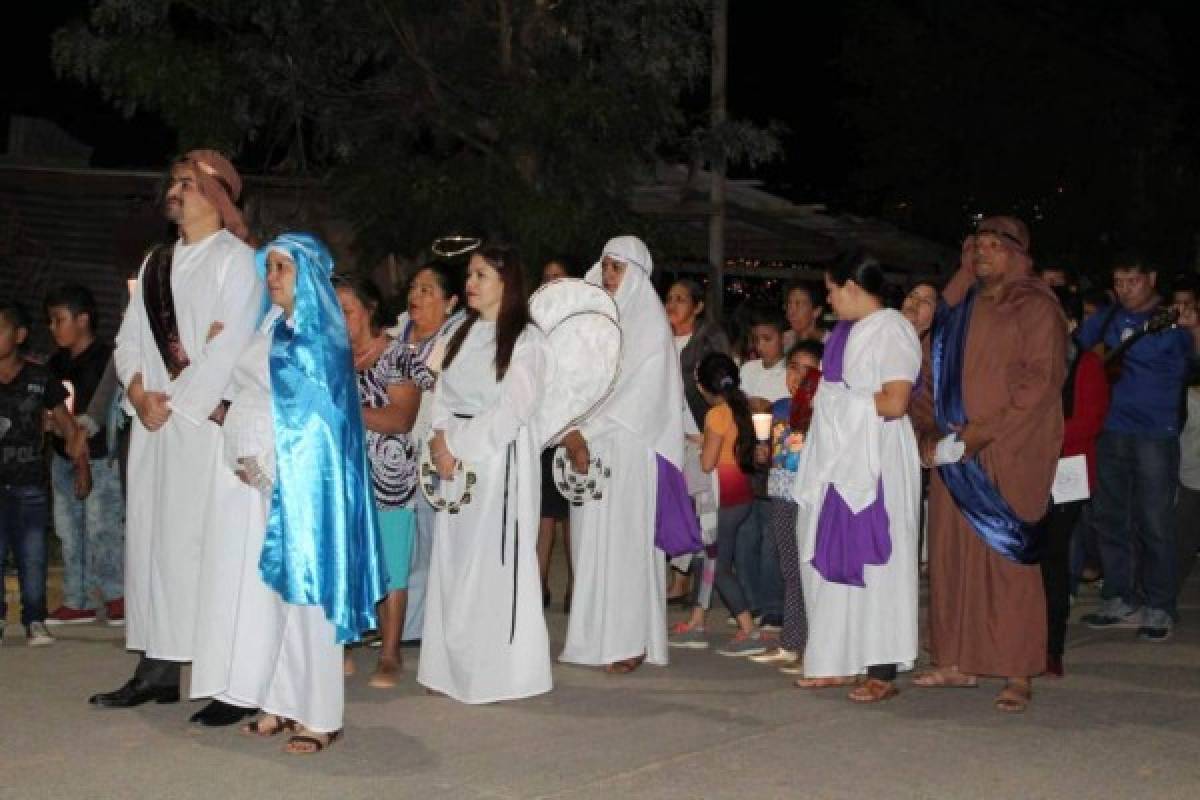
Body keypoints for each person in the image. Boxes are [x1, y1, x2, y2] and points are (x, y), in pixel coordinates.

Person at [192, 232, 387, 754]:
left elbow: (316, 423)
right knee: (277, 595)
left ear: (308, 275)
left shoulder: (318, 336)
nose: (273, 277)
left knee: (309, 599)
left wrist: (272, 463)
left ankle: (321, 715)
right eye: (271, 268)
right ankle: (281, 700)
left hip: (307, 486)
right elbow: (250, 394)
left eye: (283, 268)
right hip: (266, 480)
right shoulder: (272, 324)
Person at [91, 150, 263, 716]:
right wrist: (140, 395)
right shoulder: (154, 264)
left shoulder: (236, 262)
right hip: (155, 427)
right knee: (155, 547)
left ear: (216, 197)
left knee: (206, 548)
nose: (175, 191)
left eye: (186, 184)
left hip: (205, 430)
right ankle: (159, 668)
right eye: (174, 182)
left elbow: (230, 346)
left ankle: (224, 677)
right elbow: (128, 340)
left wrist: (178, 403)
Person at [909, 216, 1066, 713]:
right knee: (952, 558)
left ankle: (1018, 670)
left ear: (1017, 254)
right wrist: (928, 433)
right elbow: (930, 375)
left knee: (1007, 561)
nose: (983, 254)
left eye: (995, 246)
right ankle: (957, 660)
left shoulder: (1036, 307)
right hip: (956, 454)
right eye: (977, 245)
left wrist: (980, 434)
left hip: (1008, 450)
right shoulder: (958, 312)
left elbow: (1040, 382)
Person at [418, 243, 554, 703]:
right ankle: (451, 668)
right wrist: (440, 438)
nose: (470, 283)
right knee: (454, 563)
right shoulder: (458, 330)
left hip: (496, 462)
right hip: (453, 457)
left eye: (481, 276)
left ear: (506, 283)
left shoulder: (527, 341)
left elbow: (513, 408)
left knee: (489, 563)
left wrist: (458, 446)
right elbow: (440, 390)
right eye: (470, 275)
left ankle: (495, 672)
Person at [790, 254, 922, 704]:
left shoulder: (893, 329)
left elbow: (895, 402)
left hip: (877, 457)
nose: (827, 299)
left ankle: (881, 667)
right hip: (840, 458)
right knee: (832, 553)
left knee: (878, 562)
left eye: (830, 290)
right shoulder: (841, 335)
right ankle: (835, 660)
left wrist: (837, 403)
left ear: (850, 286)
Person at [560, 235, 685, 674]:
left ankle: (629, 640)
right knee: (589, 541)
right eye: (606, 266)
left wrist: (586, 428)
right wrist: (569, 426)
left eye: (618, 268)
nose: (610, 276)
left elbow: (638, 396)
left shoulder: (649, 326)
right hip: (588, 444)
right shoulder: (594, 319)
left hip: (629, 448)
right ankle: (592, 638)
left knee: (625, 544)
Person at [1076, 255, 1198, 640]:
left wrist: (1195, 330)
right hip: (1110, 428)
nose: (1125, 288)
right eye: (1119, 280)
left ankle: (1159, 604)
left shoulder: (1172, 321)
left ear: (1152, 278)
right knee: (1110, 517)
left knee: (1154, 519)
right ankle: (1119, 596)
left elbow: (1195, 359)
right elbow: (1075, 349)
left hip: (1155, 433)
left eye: (1133, 280)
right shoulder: (1108, 318)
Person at [336, 275, 434, 688]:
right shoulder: (331, 356)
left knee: (392, 564)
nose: (340, 319)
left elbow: (401, 418)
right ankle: (342, 645)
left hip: (389, 475)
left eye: (348, 310)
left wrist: (345, 410)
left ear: (370, 309)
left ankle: (391, 654)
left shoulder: (397, 355)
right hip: (342, 473)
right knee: (344, 558)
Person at [0, 300, 91, 647]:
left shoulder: (40, 377)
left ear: (20, 335)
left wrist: (81, 467)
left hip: (29, 485)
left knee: (33, 556)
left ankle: (35, 618)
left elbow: (68, 427)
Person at [668, 353, 765, 655]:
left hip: (722, 501)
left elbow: (709, 463)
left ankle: (749, 630)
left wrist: (694, 452)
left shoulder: (715, 415)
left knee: (719, 567)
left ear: (703, 387)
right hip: (741, 496)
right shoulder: (741, 408)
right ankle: (697, 620)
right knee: (708, 560)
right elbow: (726, 446)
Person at [388, 262, 463, 643]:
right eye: (414, 288)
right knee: (400, 543)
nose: (416, 297)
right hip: (390, 455)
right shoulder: (391, 335)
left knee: (434, 543)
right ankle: (399, 626)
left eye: (427, 291)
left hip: (434, 454)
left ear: (450, 302)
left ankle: (429, 626)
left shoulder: (460, 343)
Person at [43, 285, 124, 627]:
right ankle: (76, 599)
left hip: (100, 459)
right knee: (68, 528)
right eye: (50, 321)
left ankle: (116, 594)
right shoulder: (55, 362)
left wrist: (82, 433)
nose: (52, 327)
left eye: (58, 320)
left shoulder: (108, 358)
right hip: (63, 458)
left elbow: (107, 406)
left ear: (83, 319)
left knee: (101, 527)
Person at [1039, 288, 1108, 677]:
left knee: (1053, 556)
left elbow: (1087, 423)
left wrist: (1037, 434)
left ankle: (1052, 646)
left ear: (1071, 323)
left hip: (1067, 470)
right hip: (1030, 469)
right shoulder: (1029, 361)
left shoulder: (1086, 365)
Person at [747, 340, 822, 669]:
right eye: (793, 368)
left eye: (808, 370)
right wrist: (761, 453)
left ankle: (811, 644)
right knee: (789, 570)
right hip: (779, 495)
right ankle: (792, 641)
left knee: (808, 571)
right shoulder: (778, 409)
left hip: (808, 499)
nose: (798, 376)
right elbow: (771, 454)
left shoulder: (822, 412)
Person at [665, 277, 731, 605]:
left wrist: (714, 431)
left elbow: (724, 384)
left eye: (681, 298)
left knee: (703, 513)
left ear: (698, 306)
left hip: (700, 436)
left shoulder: (708, 340)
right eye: (670, 298)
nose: (672, 305)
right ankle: (679, 581)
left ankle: (704, 589)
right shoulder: (658, 339)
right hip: (667, 436)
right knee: (674, 508)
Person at [537, 258, 574, 612]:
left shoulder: (583, 319)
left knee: (571, 514)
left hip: (575, 421)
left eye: (558, 277)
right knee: (544, 512)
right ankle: (539, 584)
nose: (552, 283)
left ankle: (576, 586)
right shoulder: (533, 320)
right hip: (543, 423)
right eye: (547, 277)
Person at [782, 282, 826, 350]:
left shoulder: (832, 343)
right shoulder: (782, 341)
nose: (791, 312)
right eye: (789, 305)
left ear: (816, 311)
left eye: (799, 305)